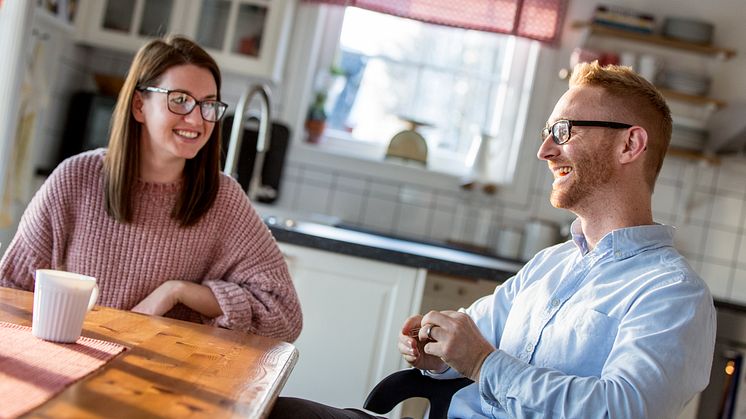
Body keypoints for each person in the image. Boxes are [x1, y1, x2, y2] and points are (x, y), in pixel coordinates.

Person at [270, 62, 716, 417]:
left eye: (564, 131)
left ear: (629, 145)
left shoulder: (672, 293)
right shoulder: (551, 265)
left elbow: (623, 410)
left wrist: (483, 363)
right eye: (547, 133)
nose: (545, 150)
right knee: (278, 412)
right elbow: (472, 337)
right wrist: (436, 350)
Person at [0, 36, 302, 342]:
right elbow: (8, 290)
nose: (197, 119)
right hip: (74, 369)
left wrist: (179, 292)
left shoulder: (223, 199)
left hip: (169, 380)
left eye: (208, 104)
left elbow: (285, 316)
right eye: (180, 99)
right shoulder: (77, 178)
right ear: (139, 105)